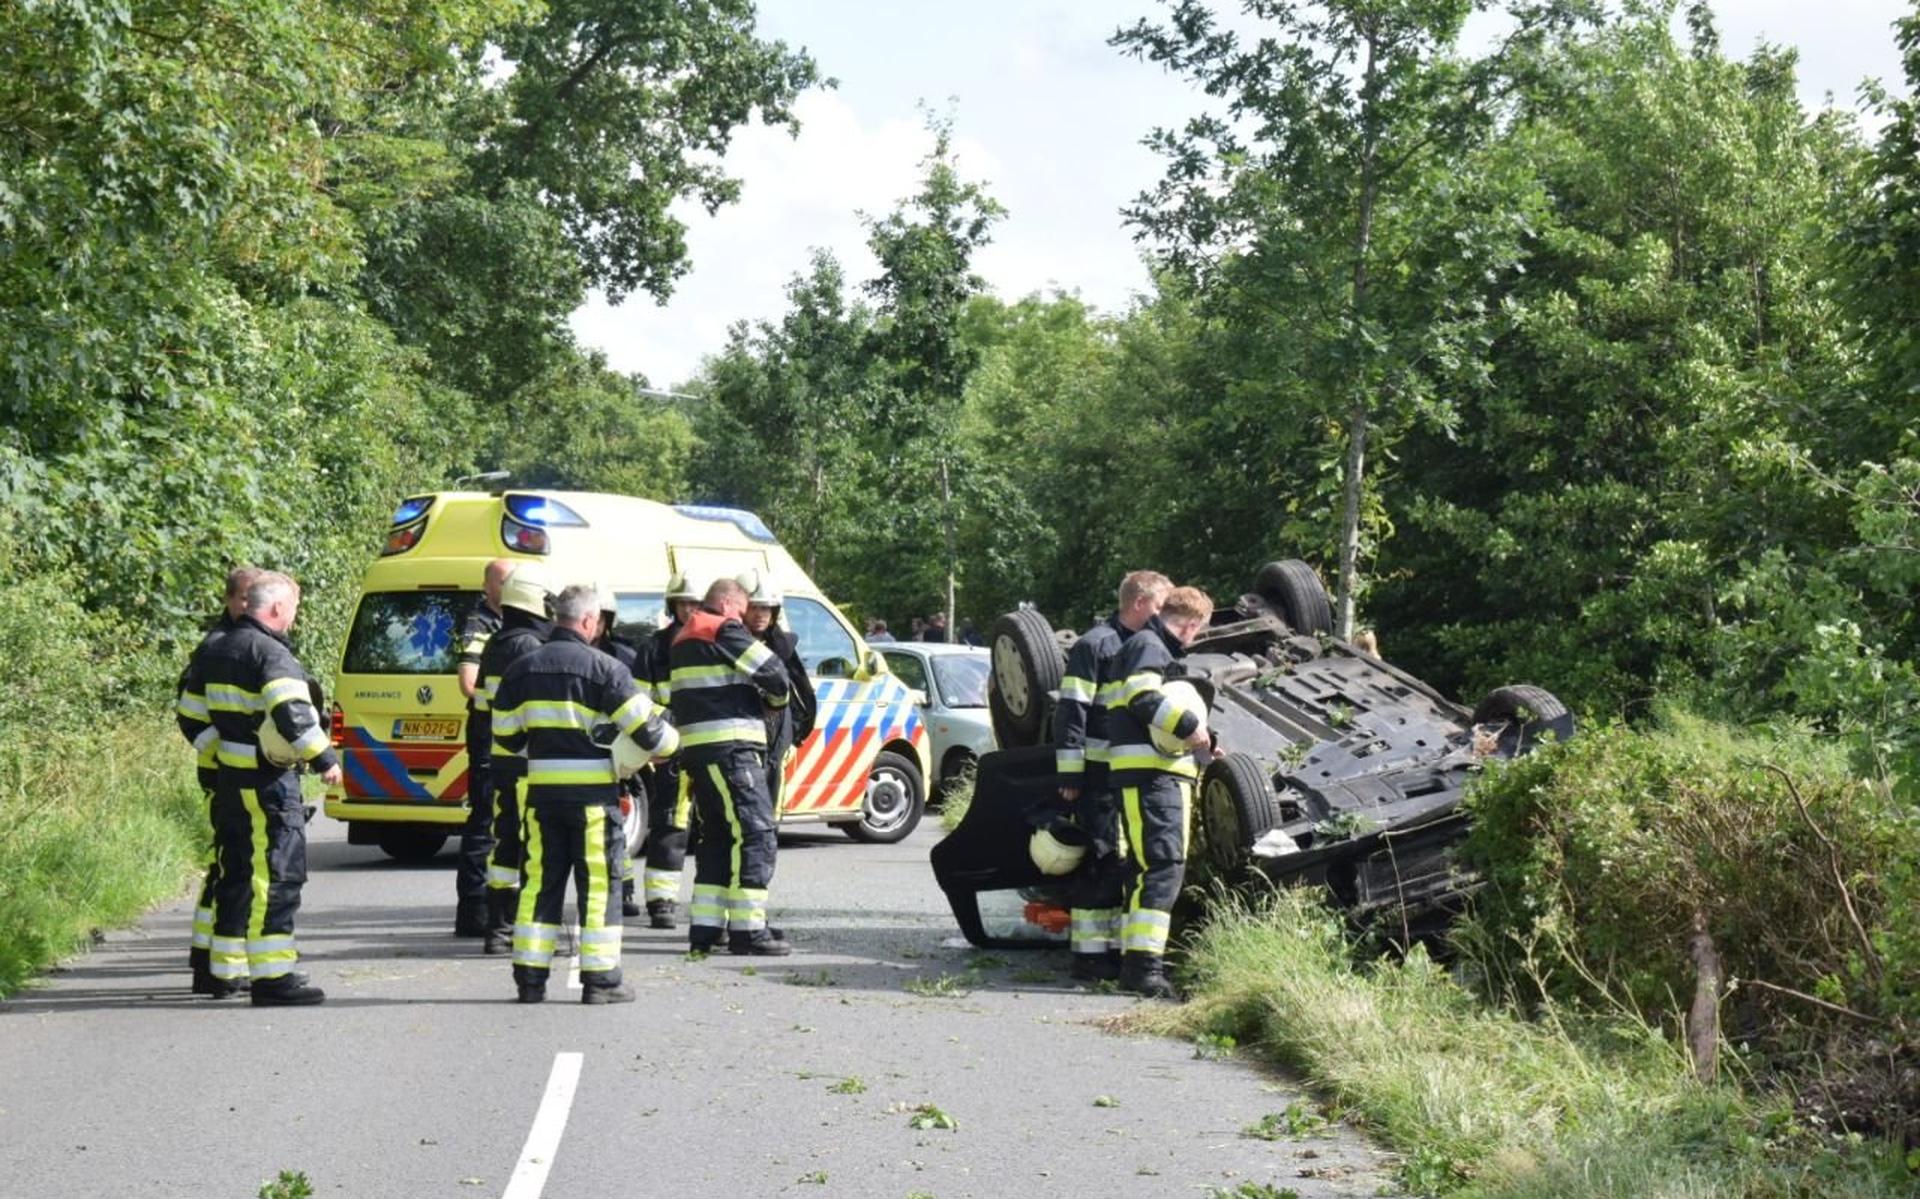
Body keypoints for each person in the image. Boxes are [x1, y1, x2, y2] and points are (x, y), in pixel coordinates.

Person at [492, 584, 677, 1004]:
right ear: (590, 621)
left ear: (558, 618)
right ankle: (601, 981)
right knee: (598, 887)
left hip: (542, 799)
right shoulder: (605, 669)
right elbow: (648, 733)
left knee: (539, 885)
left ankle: (530, 981)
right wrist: (673, 743)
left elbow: (505, 736)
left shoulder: (521, 670)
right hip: (593, 800)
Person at [198, 572, 342, 1005]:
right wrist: (325, 759)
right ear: (277, 607)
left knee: (236, 871)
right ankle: (273, 977)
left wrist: (226, 750)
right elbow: (293, 713)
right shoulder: (270, 652)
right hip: (267, 783)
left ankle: (226, 970)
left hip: (229, 779)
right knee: (278, 874)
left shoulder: (216, 648)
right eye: (293, 607)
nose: (295, 615)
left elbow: (190, 713)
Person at [1054, 570, 1171, 981]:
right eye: (1160, 607)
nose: (1165, 616)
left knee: (1128, 861)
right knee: (1100, 857)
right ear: (1139, 603)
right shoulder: (1095, 645)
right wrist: (1071, 776)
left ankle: (1118, 949)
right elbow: (1071, 711)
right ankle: (1089, 957)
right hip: (1098, 774)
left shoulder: (1149, 648)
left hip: (1134, 774)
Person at [1102, 585, 1215, 999]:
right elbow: (1142, 697)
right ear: (1191, 624)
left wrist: (1206, 740)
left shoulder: (1148, 645)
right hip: (1151, 777)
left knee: (1149, 868)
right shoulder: (1149, 646)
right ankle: (1143, 969)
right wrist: (1189, 727)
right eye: (1198, 630)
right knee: (1162, 867)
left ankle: (1138, 962)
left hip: (1154, 775)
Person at [670, 578, 793, 955]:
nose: (742, 618)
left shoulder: (684, 637)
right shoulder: (722, 628)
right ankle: (749, 930)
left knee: (718, 837)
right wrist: (775, 701)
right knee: (756, 832)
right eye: (741, 610)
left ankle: (707, 928)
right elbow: (774, 672)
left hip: (700, 750)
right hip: (732, 748)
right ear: (726, 604)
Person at [174, 565, 263, 995]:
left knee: (227, 864)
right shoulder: (216, 647)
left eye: (255, 597)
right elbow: (189, 715)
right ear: (229, 600)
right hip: (224, 773)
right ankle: (213, 963)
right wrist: (226, 751)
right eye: (244, 597)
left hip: (237, 771)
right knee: (232, 864)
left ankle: (207, 956)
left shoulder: (246, 641)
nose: (250, 605)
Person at [475, 563, 555, 955]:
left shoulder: (495, 644)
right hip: (528, 763)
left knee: (505, 846)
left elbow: (480, 705)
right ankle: (527, 928)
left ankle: (499, 928)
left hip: (501, 760)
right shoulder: (531, 648)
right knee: (533, 846)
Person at [633, 572, 701, 929]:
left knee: (714, 828)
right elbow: (638, 702)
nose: (689, 610)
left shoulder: (717, 644)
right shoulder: (654, 649)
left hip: (711, 747)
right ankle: (661, 902)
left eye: (696, 603)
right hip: (672, 748)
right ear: (672, 605)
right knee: (670, 824)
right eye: (683, 603)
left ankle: (711, 906)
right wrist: (672, 718)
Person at [454, 558, 513, 937]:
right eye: (503, 582)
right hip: (488, 731)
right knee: (484, 820)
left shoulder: (515, 621)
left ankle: (498, 906)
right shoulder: (480, 623)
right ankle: (473, 909)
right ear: (487, 586)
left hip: (505, 731)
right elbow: (468, 683)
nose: (510, 588)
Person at [737, 570, 818, 813]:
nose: (760, 614)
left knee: (771, 785)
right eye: (754, 607)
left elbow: (801, 689)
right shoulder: (729, 644)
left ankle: (768, 828)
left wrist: (797, 727)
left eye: (766, 608)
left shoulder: (783, 646)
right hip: (740, 725)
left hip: (776, 727)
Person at [591, 584, 645, 918]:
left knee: (616, 821)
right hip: (580, 749)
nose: (594, 624)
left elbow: (638, 705)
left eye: (601, 619)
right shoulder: (561, 652)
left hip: (615, 749)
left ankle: (623, 888)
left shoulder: (623, 657)